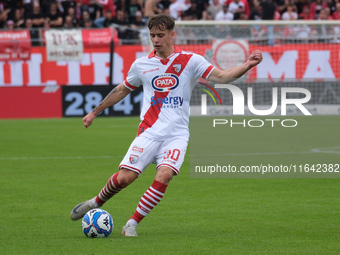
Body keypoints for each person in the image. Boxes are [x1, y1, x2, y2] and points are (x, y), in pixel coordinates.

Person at [70, 13, 263, 237]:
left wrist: (247, 64)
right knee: (125, 178)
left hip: (177, 135)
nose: (156, 40)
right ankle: (96, 201)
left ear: (172, 34)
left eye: (161, 35)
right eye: (152, 35)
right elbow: (122, 90)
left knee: (165, 175)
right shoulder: (142, 65)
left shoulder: (191, 60)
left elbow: (223, 76)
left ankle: (132, 223)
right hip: (149, 132)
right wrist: (95, 112)